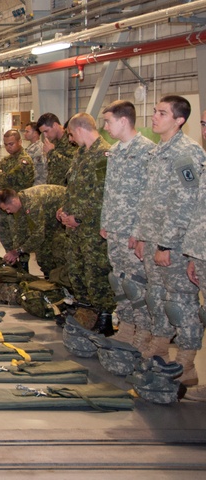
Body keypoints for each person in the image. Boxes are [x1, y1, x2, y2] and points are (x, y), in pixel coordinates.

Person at [133, 95, 206, 374]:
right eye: (154, 111)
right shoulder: (157, 152)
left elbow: (186, 203)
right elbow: (148, 198)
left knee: (180, 302)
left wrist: (166, 244)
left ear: (179, 120)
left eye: (162, 113)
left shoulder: (186, 153)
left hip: (172, 242)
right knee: (157, 295)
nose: (154, 117)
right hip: (153, 238)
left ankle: (187, 362)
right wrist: (141, 236)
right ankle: (160, 344)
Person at [99, 100, 156, 349]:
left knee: (137, 283)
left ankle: (143, 331)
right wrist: (105, 222)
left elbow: (149, 196)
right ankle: (126, 326)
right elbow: (109, 191)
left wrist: (139, 232)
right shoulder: (115, 150)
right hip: (115, 230)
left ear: (124, 120)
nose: (105, 126)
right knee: (119, 280)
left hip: (133, 231)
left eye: (108, 121)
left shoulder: (147, 151)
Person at [58, 113, 113, 335]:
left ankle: (105, 315)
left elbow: (101, 194)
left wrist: (78, 217)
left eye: (71, 134)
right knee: (77, 270)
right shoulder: (81, 153)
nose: (70, 139)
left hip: (91, 227)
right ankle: (86, 311)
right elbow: (74, 187)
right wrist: (64, 209)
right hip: (75, 228)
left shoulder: (103, 154)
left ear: (79, 129)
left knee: (96, 272)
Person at [179, 110, 206, 398]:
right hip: (200, 250)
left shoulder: (190, 154)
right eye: (203, 123)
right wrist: (193, 253)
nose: (205, 129)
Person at [0, 185, 68, 276]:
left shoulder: (32, 204)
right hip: (51, 217)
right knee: (43, 257)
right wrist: (14, 252)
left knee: (58, 250)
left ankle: (61, 281)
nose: (8, 212)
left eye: (7, 208)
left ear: (13, 201)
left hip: (66, 209)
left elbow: (38, 235)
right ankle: (51, 279)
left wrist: (17, 251)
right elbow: (21, 232)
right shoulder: (20, 204)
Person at [0, 129, 35, 252]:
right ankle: (11, 263)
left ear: (20, 142)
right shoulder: (6, 160)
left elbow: (6, 180)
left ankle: (22, 267)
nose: (8, 147)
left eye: (11, 144)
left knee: (19, 239)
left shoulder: (24, 160)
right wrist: (3, 176)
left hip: (17, 207)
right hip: (4, 207)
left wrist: (2, 175)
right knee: (4, 236)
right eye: (5, 144)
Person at [37, 113, 77, 185]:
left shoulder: (72, 139)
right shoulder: (52, 141)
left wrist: (51, 153)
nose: (45, 135)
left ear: (55, 125)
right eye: (43, 133)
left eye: (46, 131)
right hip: (54, 189)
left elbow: (74, 166)